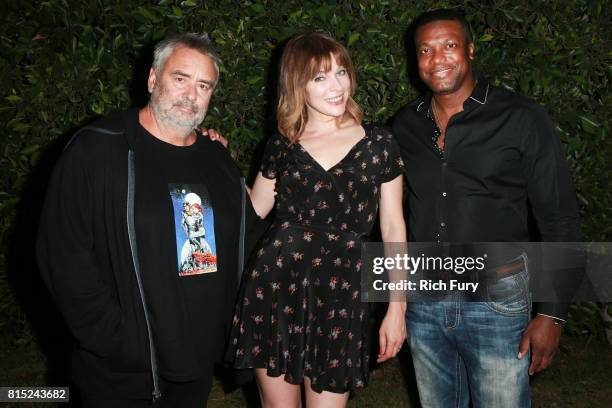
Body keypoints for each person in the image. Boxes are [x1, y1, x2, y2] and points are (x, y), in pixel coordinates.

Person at [36, 33, 257, 407]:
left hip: (195, 362)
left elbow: (247, 240)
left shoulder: (217, 161)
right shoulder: (98, 148)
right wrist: (112, 339)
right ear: (153, 79)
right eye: (180, 78)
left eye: (204, 85)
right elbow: (63, 253)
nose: (191, 95)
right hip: (122, 370)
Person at [392, 9, 582, 407]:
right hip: (424, 296)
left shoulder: (521, 118)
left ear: (470, 50)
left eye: (449, 46)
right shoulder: (404, 125)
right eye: (425, 50)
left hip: (498, 297)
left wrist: (553, 314)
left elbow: (559, 219)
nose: (437, 59)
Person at [225, 31, 407, 407]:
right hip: (275, 287)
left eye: (341, 72)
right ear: (298, 85)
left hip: (342, 293)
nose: (337, 85)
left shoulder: (379, 144)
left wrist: (397, 305)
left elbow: (392, 228)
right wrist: (216, 161)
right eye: (320, 77)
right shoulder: (283, 145)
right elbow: (254, 208)